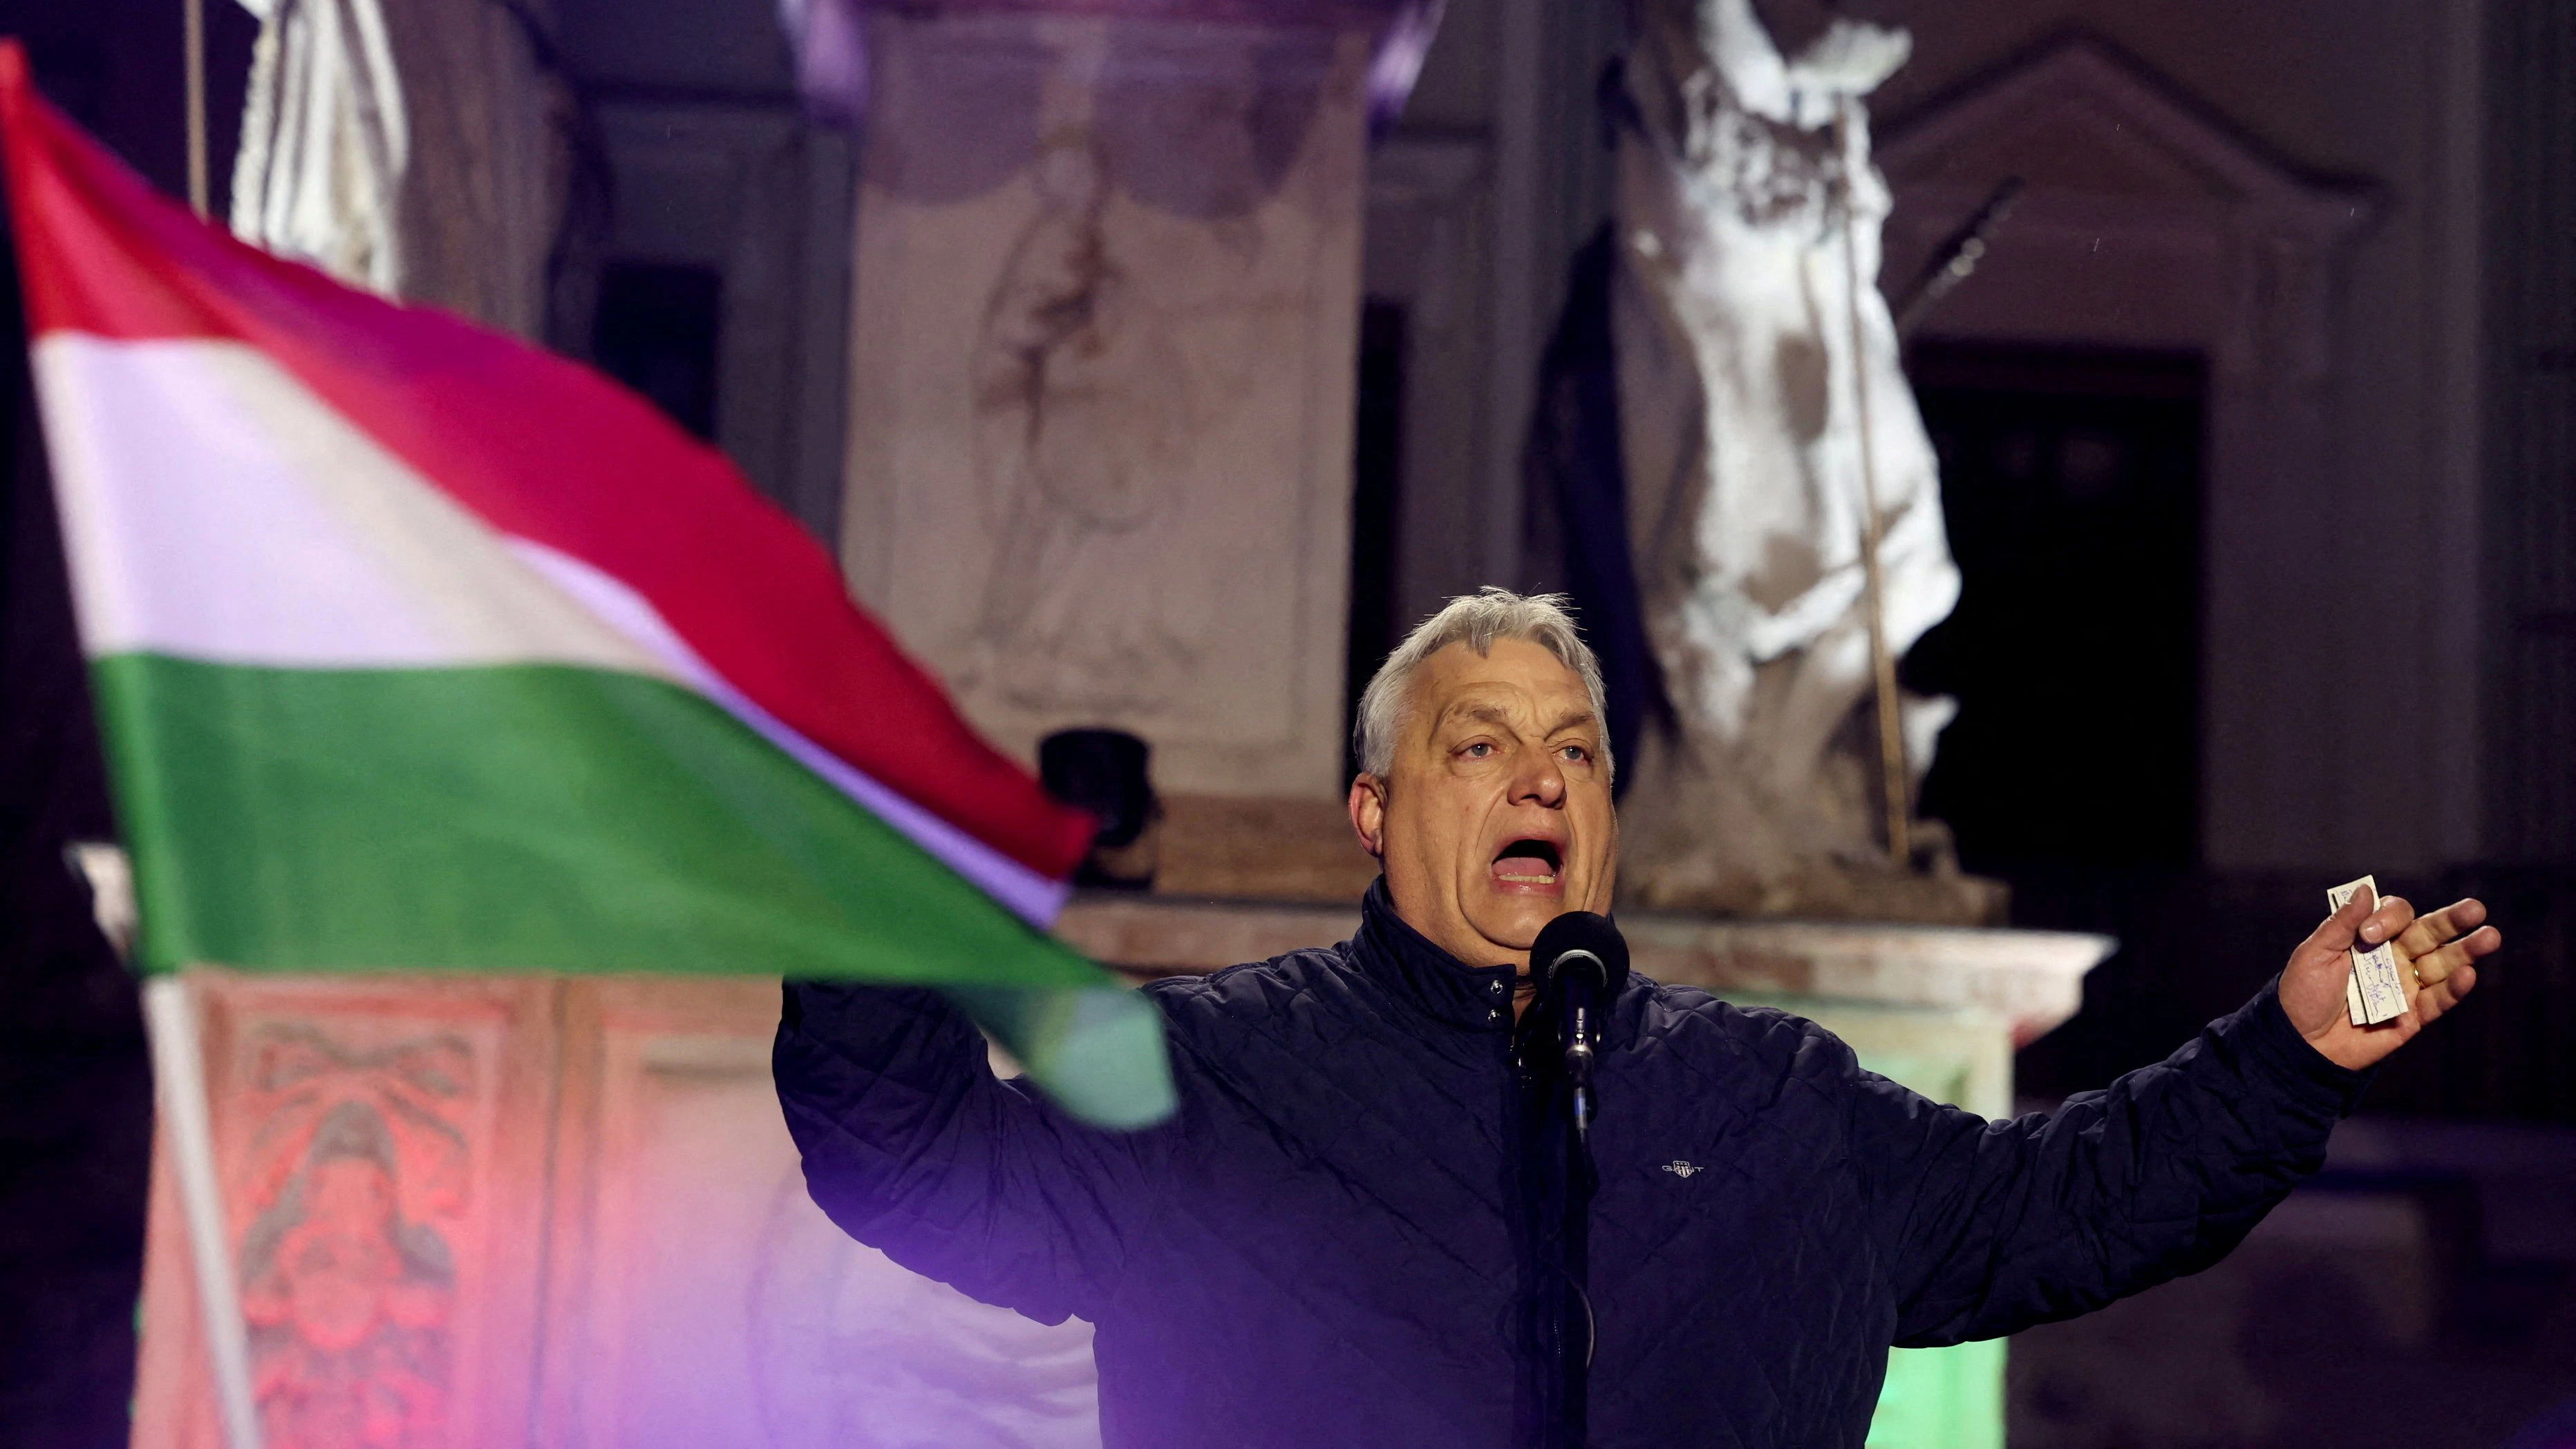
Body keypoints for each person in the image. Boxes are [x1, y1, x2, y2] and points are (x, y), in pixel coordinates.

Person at [773, 589, 2502, 1448]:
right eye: (1480, 744)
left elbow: (2063, 1205)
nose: (1539, 775)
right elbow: (920, 1163)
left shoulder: (1772, 1098)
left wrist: (2280, 1051)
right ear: (1374, 814)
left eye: (1576, 749)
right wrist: (865, 910)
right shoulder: (1216, 1071)